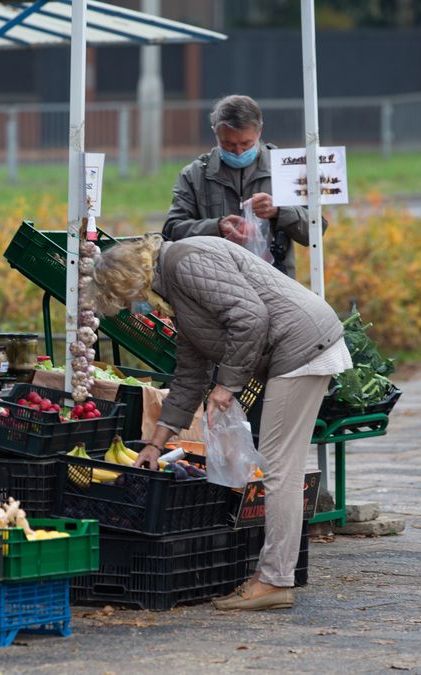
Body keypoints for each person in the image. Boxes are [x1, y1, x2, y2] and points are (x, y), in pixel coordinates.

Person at [89, 234, 352, 611]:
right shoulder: (177, 290)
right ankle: (274, 578)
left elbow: (250, 316)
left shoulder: (183, 262)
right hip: (300, 346)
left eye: (130, 300)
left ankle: (274, 581)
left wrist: (227, 385)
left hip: (299, 346)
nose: (136, 309)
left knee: (279, 470)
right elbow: (189, 376)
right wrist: (155, 444)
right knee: (281, 468)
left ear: (132, 281)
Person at [163, 94, 327, 278]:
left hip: (277, 282)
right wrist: (216, 227)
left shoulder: (285, 168)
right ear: (215, 133)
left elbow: (315, 230)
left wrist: (279, 211)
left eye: (246, 144)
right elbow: (171, 230)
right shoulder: (195, 175)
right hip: (214, 281)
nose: (238, 151)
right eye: (228, 144)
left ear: (259, 131)